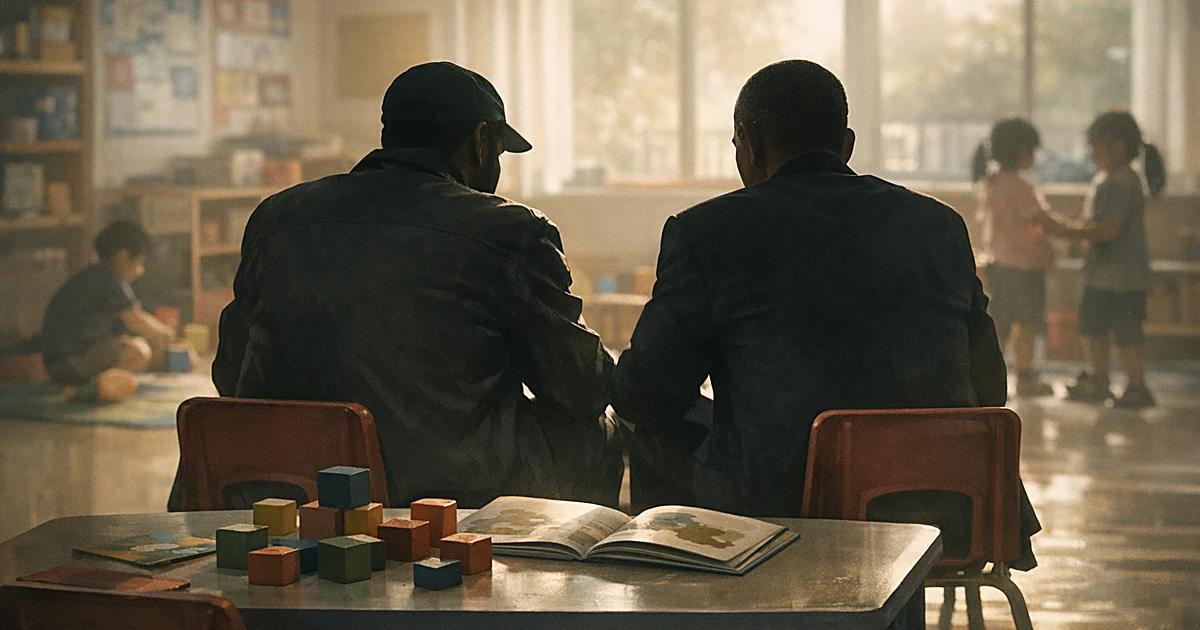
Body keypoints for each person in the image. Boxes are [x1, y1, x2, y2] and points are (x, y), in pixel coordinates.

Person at [610, 60, 1038, 569]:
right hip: (942, 510)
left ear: (746, 141)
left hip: (783, 515)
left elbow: (644, 393)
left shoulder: (709, 231)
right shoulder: (939, 225)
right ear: (847, 144)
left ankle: (690, 596)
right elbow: (989, 386)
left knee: (653, 429)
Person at [178, 62, 619, 510]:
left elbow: (231, 373)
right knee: (595, 429)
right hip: (442, 498)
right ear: (482, 141)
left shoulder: (276, 217)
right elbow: (580, 388)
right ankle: (564, 560)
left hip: (284, 490)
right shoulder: (509, 231)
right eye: (500, 152)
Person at [1063, 111, 1164, 408]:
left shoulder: (1121, 182)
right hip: (1103, 274)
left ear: (1117, 147)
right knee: (1093, 327)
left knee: (1126, 333)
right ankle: (1099, 378)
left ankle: (1136, 384)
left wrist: (1065, 230)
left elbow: (1109, 228)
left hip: (1121, 277)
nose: (1091, 153)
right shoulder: (1108, 179)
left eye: (1096, 146)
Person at [41, 221, 176, 402]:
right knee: (139, 352)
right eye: (139, 263)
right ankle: (86, 392)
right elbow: (137, 320)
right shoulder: (110, 281)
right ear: (122, 256)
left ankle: (89, 386)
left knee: (139, 345)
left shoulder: (94, 275)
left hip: (61, 361)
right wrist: (167, 332)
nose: (140, 271)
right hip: (69, 362)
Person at [975, 118, 1056, 397]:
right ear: (1021, 151)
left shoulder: (992, 183)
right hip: (1024, 266)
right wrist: (1074, 230)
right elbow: (1040, 220)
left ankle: (993, 376)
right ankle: (1025, 376)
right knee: (1027, 323)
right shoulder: (1021, 186)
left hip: (999, 264)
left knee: (1001, 323)